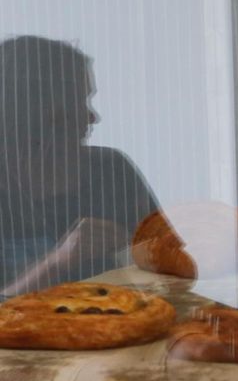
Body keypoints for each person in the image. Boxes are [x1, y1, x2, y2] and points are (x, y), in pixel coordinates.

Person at [1, 36, 165, 296]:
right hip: (27, 335)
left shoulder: (112, 170)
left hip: (125, 330)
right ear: (40, 114)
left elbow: (171, 264)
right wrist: (56, 263)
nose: (93, 117)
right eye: (79, 102)